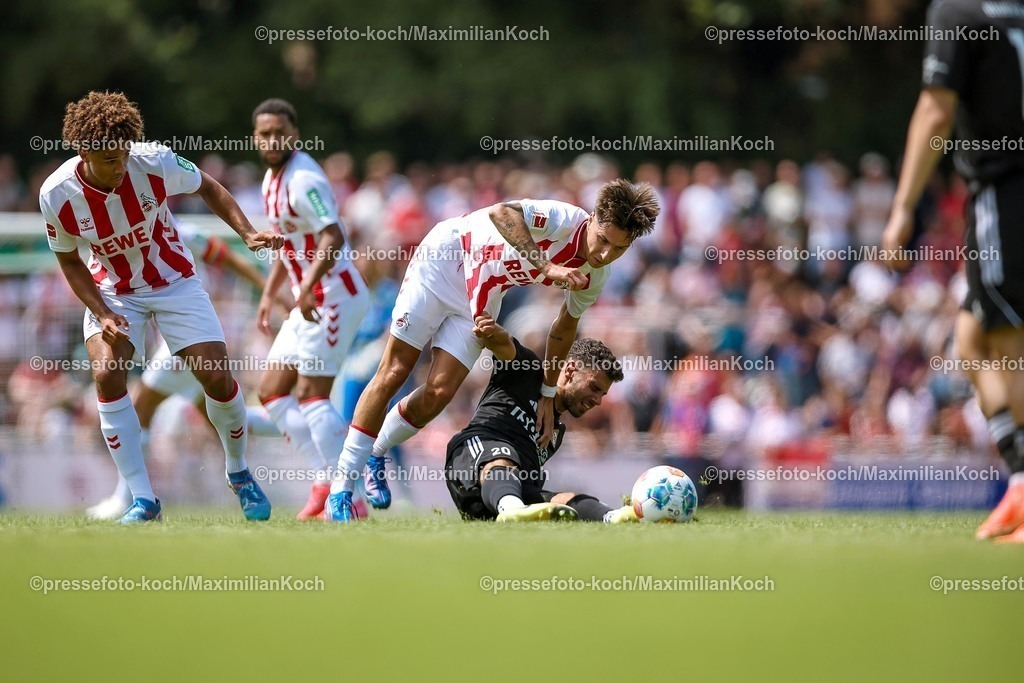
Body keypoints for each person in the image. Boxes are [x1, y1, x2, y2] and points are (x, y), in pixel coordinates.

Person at [325, 179, 659, 522]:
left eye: (618, 249)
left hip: (482, 295)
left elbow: (564, 328)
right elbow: (502, 212)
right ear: (592, 219)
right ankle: (340, 490)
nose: (604, 254)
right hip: (445, 259)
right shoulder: (562, 219)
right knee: (396, 370)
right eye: (603, 240)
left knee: (439, 393)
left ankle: (376, 452)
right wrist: (546, 267)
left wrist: (547, 391)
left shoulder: (596, 274)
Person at [39, 91, 283, 523]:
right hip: (113, 291)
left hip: (174, 282)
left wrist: (246, 232)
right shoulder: (57, 195)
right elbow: (70, 262)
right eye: (109, 160)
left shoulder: (154, 161)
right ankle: (142, 498)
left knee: (218, 379)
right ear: (84, 152)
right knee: (108, 374)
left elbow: (207, 185)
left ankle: (239, 471)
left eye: (123, 155)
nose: (119, 167)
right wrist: (102, 310)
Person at [882, 1, 1024, 542]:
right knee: (971, 336)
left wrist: (902, 210)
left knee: (1009, 341)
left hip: (1006, 191)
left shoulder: (959, 9)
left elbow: (936, 111)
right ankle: (1018, 482)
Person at [85, 221, 290, 519]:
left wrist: (271, 293)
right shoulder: (123, 236)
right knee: (225, 420)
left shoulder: (181, 231)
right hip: (178, 344)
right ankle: (301, 426)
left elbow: (229, 258)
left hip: (188, 342)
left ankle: (127, 497)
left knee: (140, 408)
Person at [250, 98, 370, 519]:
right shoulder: (270, 179)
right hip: (309, 295)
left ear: (294, 134)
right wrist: (270, 293)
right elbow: (288, 246)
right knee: (270, 392)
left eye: (279, 131)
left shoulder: (304, 179)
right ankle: (324, 478)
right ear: (255, 137)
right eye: (264, 133)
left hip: (335, 293)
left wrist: (308, 285)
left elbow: (332, 235)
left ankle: (350, 495)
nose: (272, 139)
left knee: (311, 395)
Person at [445, 313, 635, 522]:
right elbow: (504, 346)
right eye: (594, 387)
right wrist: (492, 332)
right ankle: (511, 508)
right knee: (504, 458)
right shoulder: (527, 370)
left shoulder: (556, 431)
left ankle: (613, 517)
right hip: (472, 459)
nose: (598, 400)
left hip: (501, 497)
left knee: (566, 500)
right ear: (571, 370)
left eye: (603, 394)